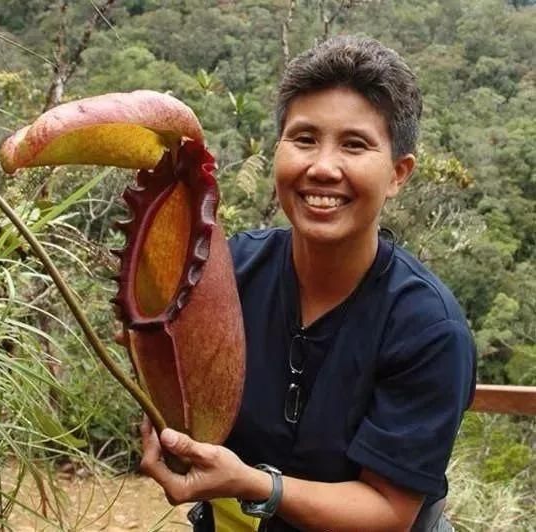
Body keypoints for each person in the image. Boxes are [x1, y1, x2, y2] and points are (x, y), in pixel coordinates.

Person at [140, 35, 476, 532]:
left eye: (355, 144)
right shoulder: (228, 273)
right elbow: (181, 390)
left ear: (398, 174)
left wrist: (256, 485)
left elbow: (389, 512)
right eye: (303, 139)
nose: (322, 167)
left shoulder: (427, 328)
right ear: (278, 148)